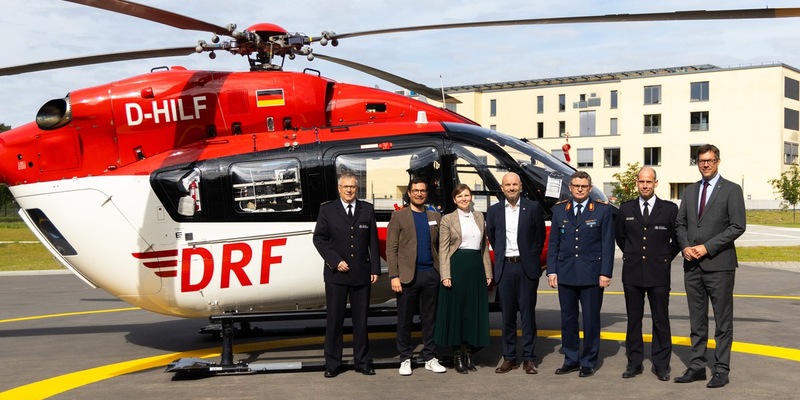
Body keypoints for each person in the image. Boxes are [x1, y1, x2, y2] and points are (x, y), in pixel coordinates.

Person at [674, 144, 746, 388]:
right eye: (701, 161)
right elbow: (680, 224)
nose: (705, 164)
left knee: (722, 322)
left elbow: (737, 226)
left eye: (710, 160)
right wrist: (685, 247)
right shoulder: (690, 190)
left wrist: (707, 247)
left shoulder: (732, 190)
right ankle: (697, 366)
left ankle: (721, 370)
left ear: (718, 162)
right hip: (692, 266)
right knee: (697, 321)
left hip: (720, 266)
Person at [312, 171, 381, 378]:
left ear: (356, 188)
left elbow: (373, 241)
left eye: (352, 187)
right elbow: (319, 239)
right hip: (336, 275)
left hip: (361, 273)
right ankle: (333, 363)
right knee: (334, 320)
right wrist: (335, 261)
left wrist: (375, 269)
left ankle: (363, 362)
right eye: (345, 187)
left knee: (361, 321)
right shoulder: (327, 210)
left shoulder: (366, 209)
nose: (349, 190)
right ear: (339, 188)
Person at [546, 170, 614, 378]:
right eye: (576, 186)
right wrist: (551, 270)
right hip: (566, 272)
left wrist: (605, 272)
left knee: (591, 320)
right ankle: (571, 359)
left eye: (584, 186)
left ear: (590, 188)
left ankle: (588, 361)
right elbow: (554, 243)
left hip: (592, 274)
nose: (580, 189)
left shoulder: (602, 210)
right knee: (568, 319)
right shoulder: (559, 210)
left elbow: (607, 244)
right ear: (570, 187)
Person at [615, 167, 679, 381]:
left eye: (649, 182)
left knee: (661, 320)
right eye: (641, 181)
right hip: (632, 272)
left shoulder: (668, 209)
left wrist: (663, 258)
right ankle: (634, 363)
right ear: (637, 182)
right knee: (634, 320)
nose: (645, 185)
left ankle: (661, 365)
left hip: (658, 273)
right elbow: (620, 238)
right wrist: (633, 254)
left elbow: (676, 240)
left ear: (655, 183)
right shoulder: (626, 208)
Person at [486, 172, 546, 374]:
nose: (511, 188)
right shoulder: (494, 211)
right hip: (505, 267)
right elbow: (493, 237)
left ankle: (529, 358)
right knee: (507, 316)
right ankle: (509, 357)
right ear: (502, 188)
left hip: (525, 267)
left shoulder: (533, 208)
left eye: (514, 184)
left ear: (520, 187)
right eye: (507, 185)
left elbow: (539, 238)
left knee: (528, 315)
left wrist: (529, 257)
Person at [386, 178, 446, 376]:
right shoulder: (399, 217)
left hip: (430, 275)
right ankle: (405, 358)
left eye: (423, 190)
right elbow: (391, 248)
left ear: (426, 193)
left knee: (430, 319)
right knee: (405, 320)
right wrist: (394, 276)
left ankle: (430, 357)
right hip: (406, 277)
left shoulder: (435, 216)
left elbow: (440, 246)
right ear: (409, 193)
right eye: (415, 191)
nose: (419, 194)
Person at [434, 184, 492, 373]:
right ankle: (457, 355)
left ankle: (469, 353)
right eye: (459, 196)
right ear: (454, 199)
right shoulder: (448, 219)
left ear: (471, 197)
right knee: (457, 312)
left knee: (471, 312)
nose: (464, 199)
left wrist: (488, 272)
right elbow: (443, 249)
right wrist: (445, 275)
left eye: (466, 195)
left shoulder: (479, 216)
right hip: (457, 266)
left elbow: (483, 247)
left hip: (476, 268)